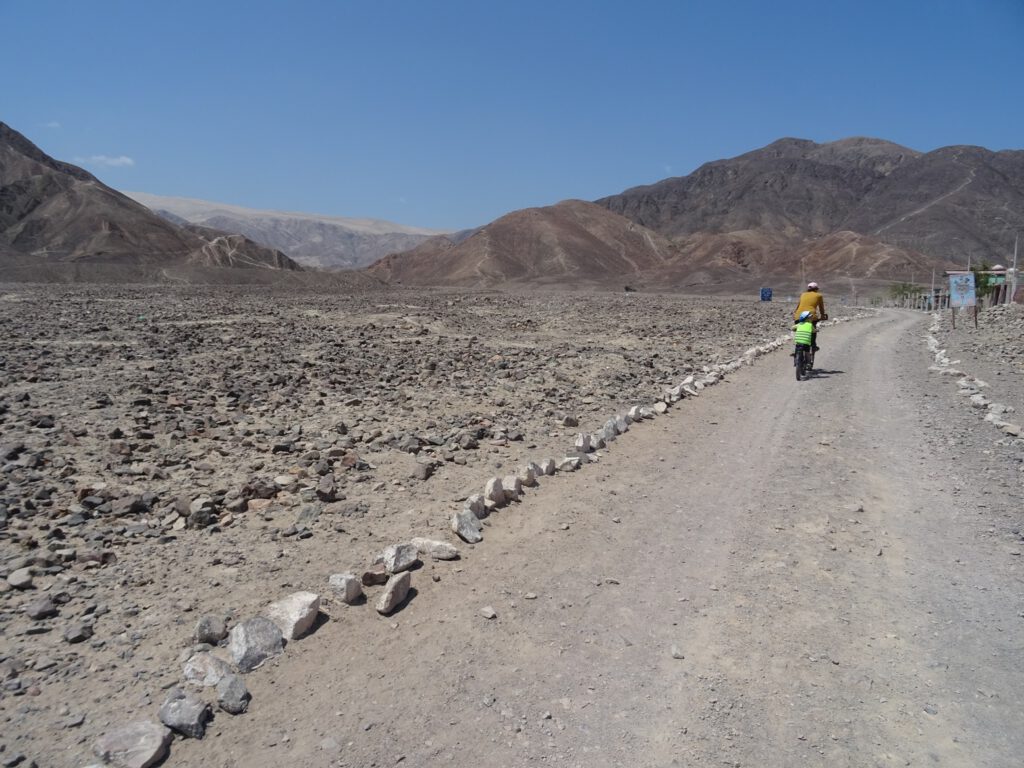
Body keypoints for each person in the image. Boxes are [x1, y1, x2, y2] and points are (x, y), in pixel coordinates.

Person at [794, 281, 827, 351]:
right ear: (816, 289)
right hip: (810, 316)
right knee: (813, 330)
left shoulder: (803, 294)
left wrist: (796, 315)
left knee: (799, 330)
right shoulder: (819, 295)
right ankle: (813, 345)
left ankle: (798, 344)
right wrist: (823, 315)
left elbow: (798, 306)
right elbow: (821, 308)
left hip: (798, 315)